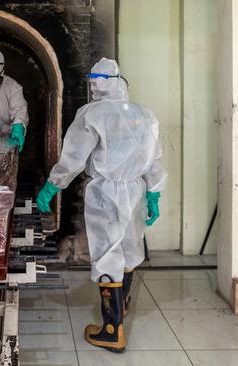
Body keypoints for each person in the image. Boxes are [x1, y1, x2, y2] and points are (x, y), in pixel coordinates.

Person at [35, 57, 167, 353]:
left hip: (107, 193)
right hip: (135, 189)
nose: (93, 83)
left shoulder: (91, 114)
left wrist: (52, 185)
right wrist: (154, 193)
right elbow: (153, 158)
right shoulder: (143, 113)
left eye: (94, 78)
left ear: (101, 81)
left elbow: (73, 159)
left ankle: (111, 331)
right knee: (130, 248)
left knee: (108, 253)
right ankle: (123, 305)